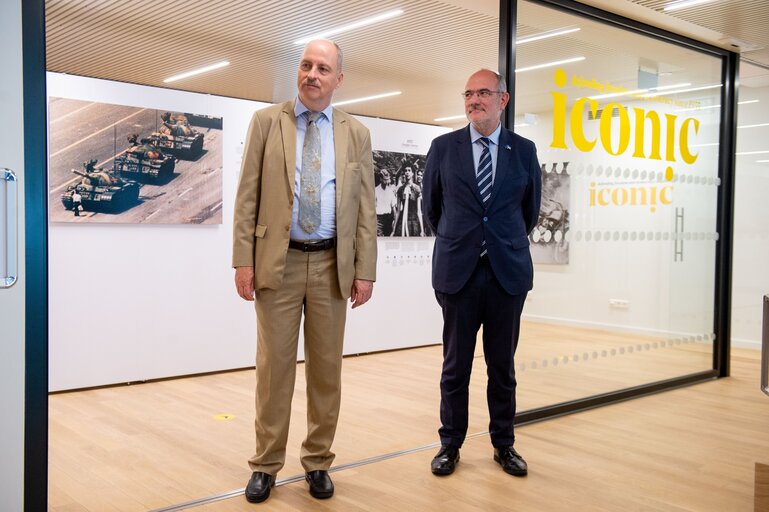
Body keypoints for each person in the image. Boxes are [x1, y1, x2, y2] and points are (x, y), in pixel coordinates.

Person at [232, 39, 377, 504]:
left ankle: (317, 461)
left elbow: (366, 209)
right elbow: (246, 197)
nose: (312, 74)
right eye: (306, 65)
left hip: (334, 263)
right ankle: (265, 464)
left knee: (326, 372)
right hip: (280, 262)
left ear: (338, 79)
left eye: (323, 68)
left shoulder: (355, 133)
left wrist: (365, 269)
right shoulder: (265, 123)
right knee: (274, 371)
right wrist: (243, 260)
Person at [422, 69, 541, 478]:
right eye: (469, 93)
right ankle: (449, 445)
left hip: (506, 274)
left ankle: (504, 445)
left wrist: (496, 242)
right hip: (459, 273)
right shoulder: (443, 147)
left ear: (502, 100)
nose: (474, 100)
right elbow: (432, 210)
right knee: (455, 366)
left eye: (484, 93)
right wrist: (467, 242)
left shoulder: (523, 151)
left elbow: (529, 212)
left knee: (502, 366)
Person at [393, 166, 423, 236]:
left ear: (412, 173)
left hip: (413, 222)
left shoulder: (417, 189)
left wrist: (422, 230)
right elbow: (397, 212)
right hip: (402, 221)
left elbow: (419, 211)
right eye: (406, 171)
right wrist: (394, 229)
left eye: (409, 170)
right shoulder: (400, 189)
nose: (407, 172)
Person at [375, 169, 397, 236]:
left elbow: (394, 208)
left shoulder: (390, 191)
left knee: (388, 239)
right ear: (381, 179)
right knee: (380, 239)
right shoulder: (375, 191)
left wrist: (395, 221)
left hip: (388, 219)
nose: (387, 182)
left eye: (388, 179)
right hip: (379, 220)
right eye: (385, 179)